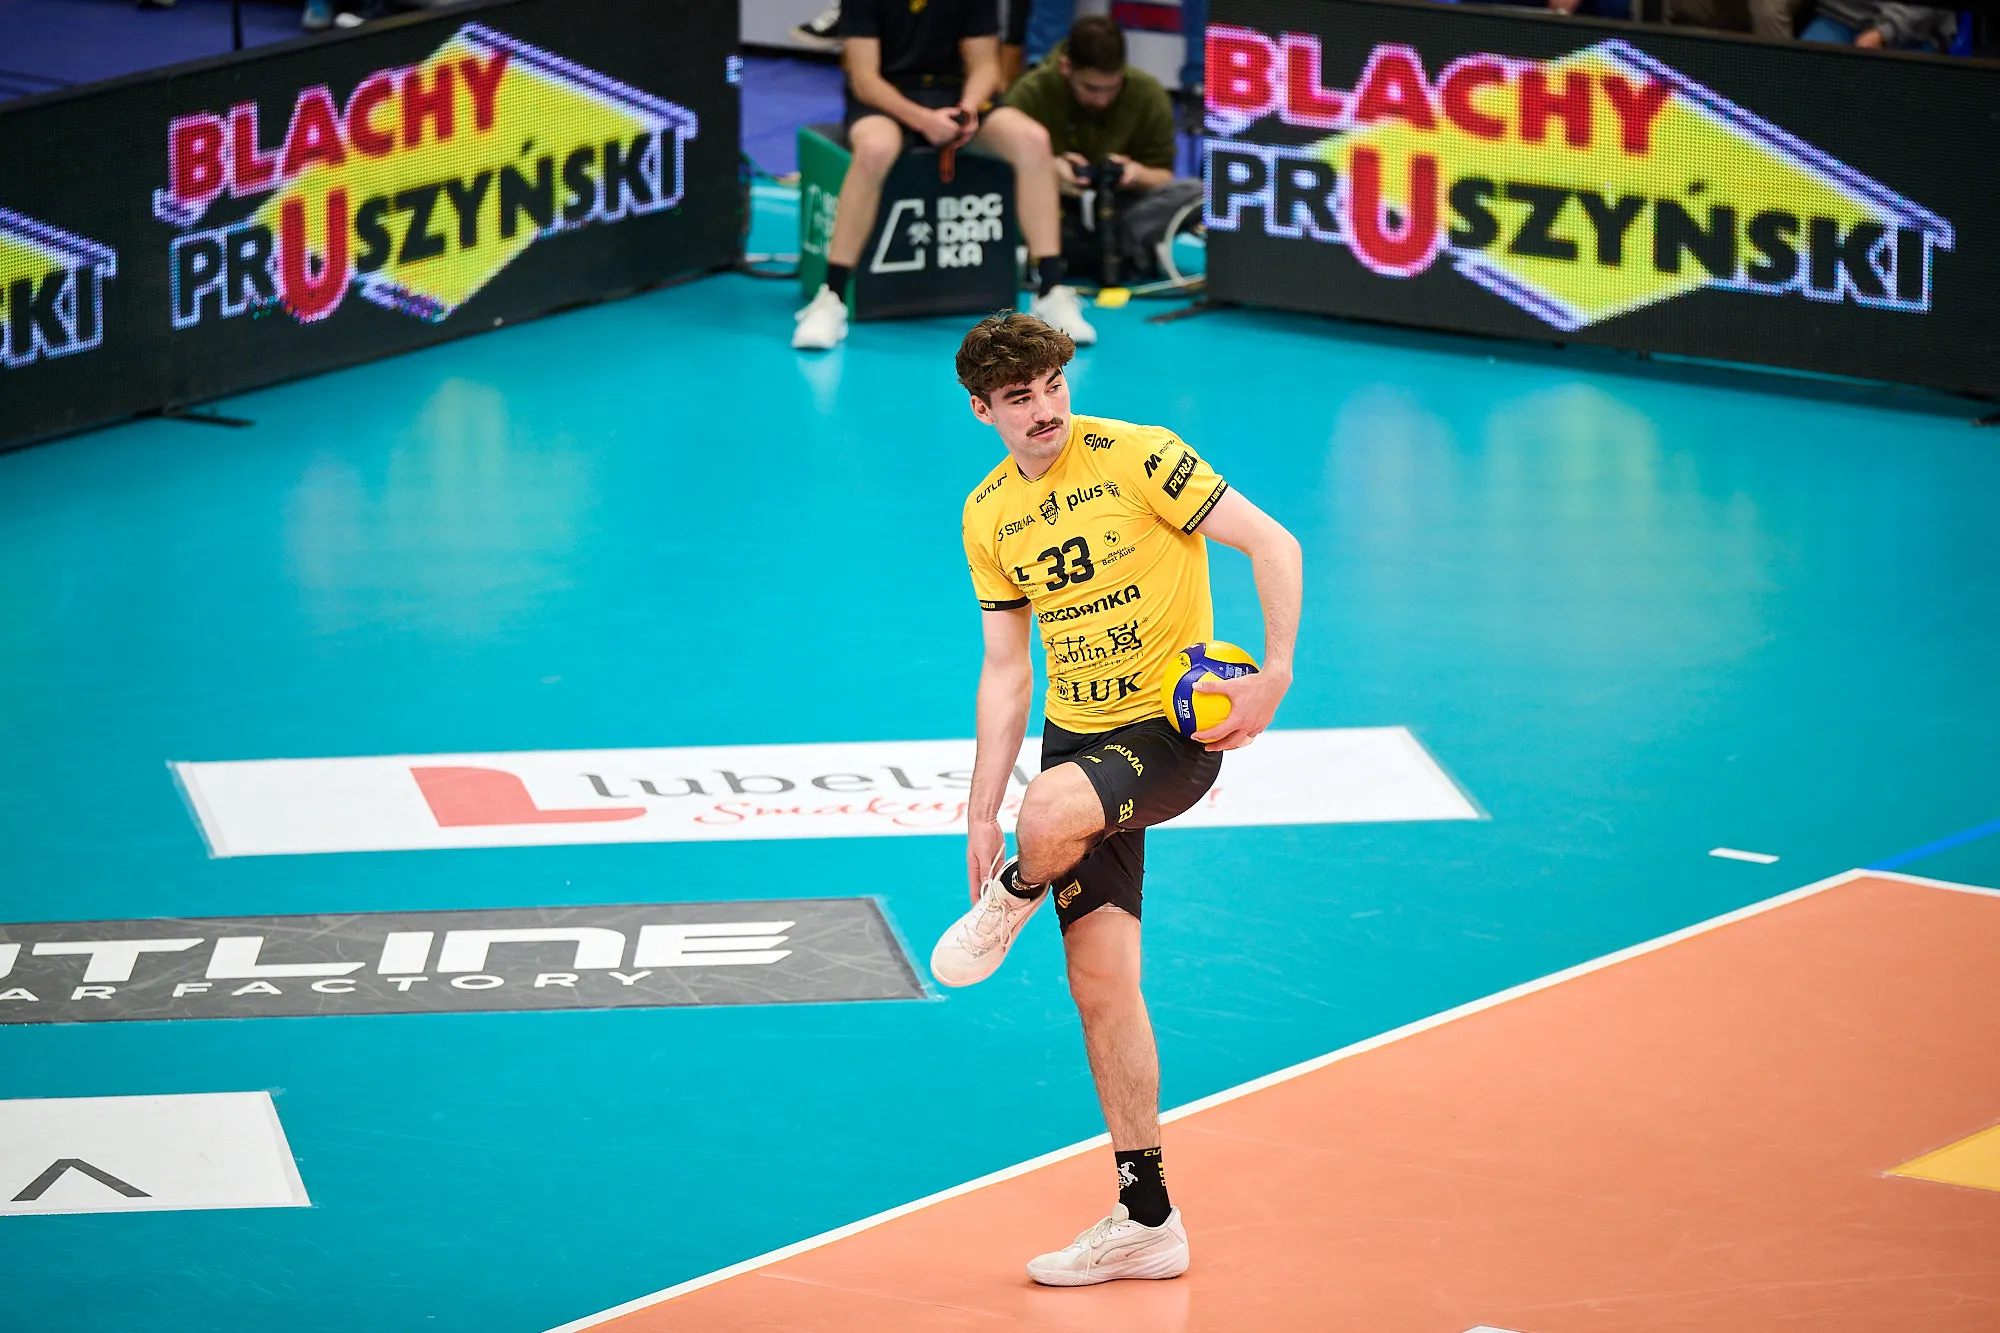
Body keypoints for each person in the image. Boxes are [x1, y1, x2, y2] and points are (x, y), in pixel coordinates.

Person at [931, 313, 1302, 1285]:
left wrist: (1274, 675)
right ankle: (1147, 1217)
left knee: (1048, 813)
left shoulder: (1140, 457)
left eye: (1053, 386)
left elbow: (1273, 543)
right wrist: (977, 809)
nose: (1045, 409)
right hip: (1077, 738)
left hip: (1172, 735)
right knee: (1100, 989)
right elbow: (1006, 669)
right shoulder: (987, 514)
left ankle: (1010, 897)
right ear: (982, 411)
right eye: (1019, 398)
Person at [793, 0, 1099, 351]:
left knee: (1033, 140)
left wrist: (968, 108)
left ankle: (1049, 289)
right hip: (887, 101)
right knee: (875, 148)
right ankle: (831, 297)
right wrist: (924, 120)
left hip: (954, 98)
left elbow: (986, 65)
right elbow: (864, 80)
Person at [1002, 16, 1200, 286]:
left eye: (1112, 88)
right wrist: (1048, 171)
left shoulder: (1147, 93)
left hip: (1123, 209)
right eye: (1091, 88)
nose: (1102, 99)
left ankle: (1107, 249)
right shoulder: (1030, 93)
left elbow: (1163, 177)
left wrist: (1135, 174)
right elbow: (1000, 172)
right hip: (1055, 209)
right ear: (1066, 67)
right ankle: (1100, 252)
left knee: (1196, 192)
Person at [1799, 0, 1956, 47]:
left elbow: (1925, 10)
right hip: (1838, 16)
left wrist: (1884, 32)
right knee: (1805, 70)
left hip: (1914, 29)